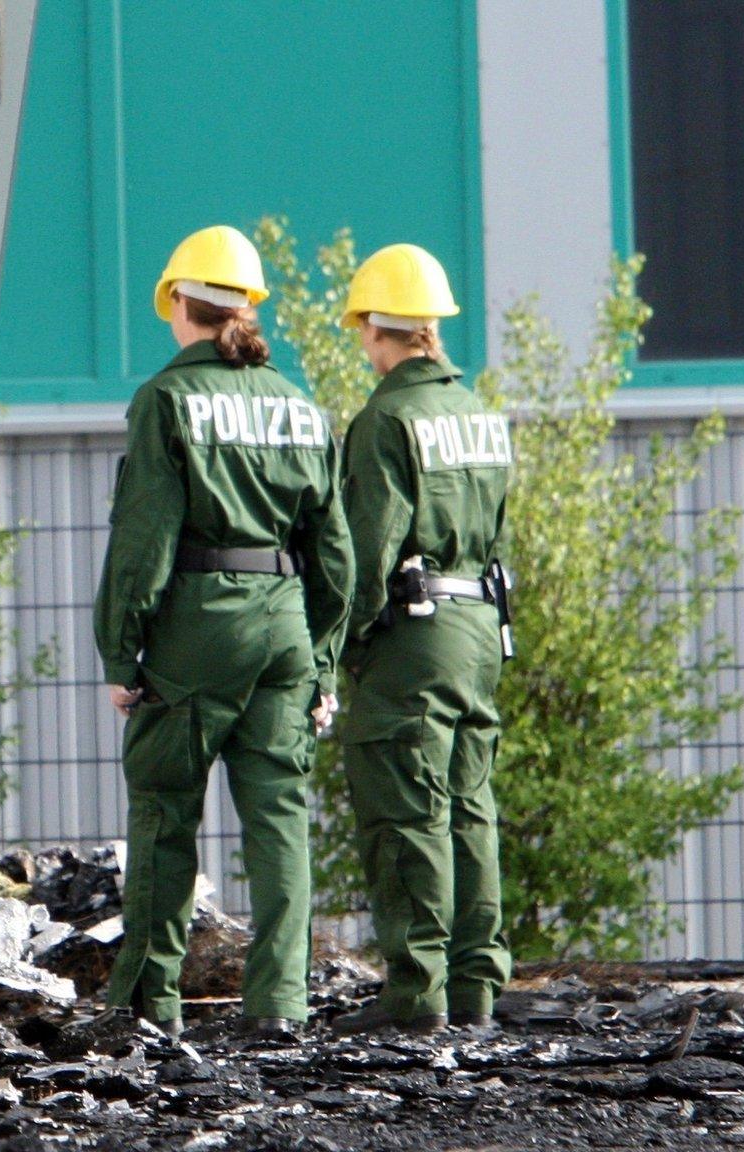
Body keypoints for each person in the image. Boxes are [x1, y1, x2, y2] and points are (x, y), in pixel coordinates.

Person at [93, 224, 352, 1039]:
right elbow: (337, 553)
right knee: (279, 818)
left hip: (198, 626)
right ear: (245, 309)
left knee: (166, 810)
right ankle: (280, 1006)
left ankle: (148, 1001)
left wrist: (120, 650)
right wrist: (323, 663)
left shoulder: (167, 400)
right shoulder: (300, 409)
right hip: (284, 625)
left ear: (179, 304)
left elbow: (143, 540)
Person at [331, 243, 514, 1037]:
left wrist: (340, 646)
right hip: (479, 630)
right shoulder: (480, 414)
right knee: (471, 809)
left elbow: (368, 553)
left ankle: (416, 995)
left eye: (361, 330)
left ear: (377, 328)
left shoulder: (387, 420)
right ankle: (477, 989)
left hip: (415, 633)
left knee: (406, 811)